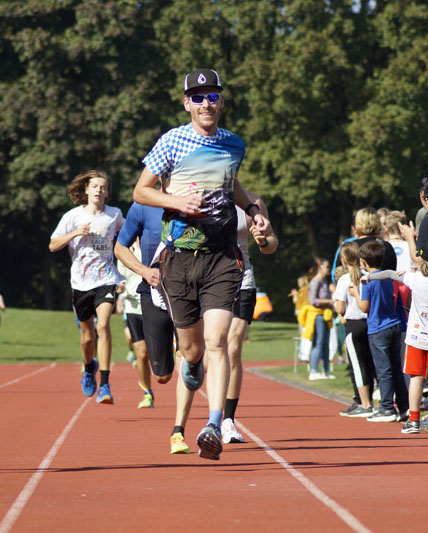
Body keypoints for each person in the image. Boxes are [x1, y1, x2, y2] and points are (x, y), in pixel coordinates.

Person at [132, 68, 271, 460]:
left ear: (221, 101)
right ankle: (191, 367)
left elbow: (232, 184)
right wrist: (177, 202)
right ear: (186, 104)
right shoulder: (172, 141)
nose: (206, 103)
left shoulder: (234, 144)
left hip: (222, 259)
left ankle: (212, 424)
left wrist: (253, 210)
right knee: (192, 351)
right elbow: (140, 191)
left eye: (212, 96)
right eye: (197, 97)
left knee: (218, 342)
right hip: (179, 260)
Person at [114, 201, 197, 453]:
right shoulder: (142, 207)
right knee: (161, 376)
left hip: (188, 292)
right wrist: (144, 271)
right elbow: (120, 247)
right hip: (151, 292)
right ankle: (175, 354)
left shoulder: (196, 203)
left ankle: (178, 431)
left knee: (186, 355)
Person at [49, 170, 124, 404]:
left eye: (103, 187)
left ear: (108, 192)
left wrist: (127, 270)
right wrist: (75, 233)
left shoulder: (114, 214)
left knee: (103, 325)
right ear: (86, 190)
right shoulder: (73, 216)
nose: (99, 191)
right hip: (81, 283)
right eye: (95, 187)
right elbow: (53, 245)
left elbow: (127, 237)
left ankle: (105, 384)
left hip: (106, 279)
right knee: (87, 337)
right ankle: (89, 366)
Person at [367, 240, 428, 436]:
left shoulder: (416, 279)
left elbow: (390, 274)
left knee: (416, 378)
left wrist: (369, 277)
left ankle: (414, 420)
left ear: (424, 261)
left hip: (416, 338)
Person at [223, 203, 278, 443]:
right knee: (209, 349)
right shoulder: (202, 196)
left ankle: (227, 420)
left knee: (233, 347)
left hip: (242, 280)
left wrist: (263, 241)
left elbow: (272, 244)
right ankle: (214, 412)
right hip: (210, 281)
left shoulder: (253, 204)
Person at [356, 240, 409, 422]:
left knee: (383, 370)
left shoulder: (367, 282)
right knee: (396, 368)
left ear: (363, 262)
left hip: (378, 328)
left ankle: (386, 408)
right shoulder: (388, 278)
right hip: (394, 325)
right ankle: (404, 406)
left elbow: (364, 307)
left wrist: (356, 294)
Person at [334, 242, 375, 418]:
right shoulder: (367, 276)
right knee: (369, 363)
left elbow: (339, 308)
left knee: (358, 365)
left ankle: (365, 404)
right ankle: (369, 401)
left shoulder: (344, 279)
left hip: (354, 323)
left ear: (343, 261)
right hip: (370, 323)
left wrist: (338, 307)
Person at [115, 240, 154, 408]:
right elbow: (120, 279)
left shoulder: (154, 244)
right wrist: (119, 288)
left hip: (154, 305)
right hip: (132, 307)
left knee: (160, 367)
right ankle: (147, 393)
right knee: (141, 354)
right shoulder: (125, 249)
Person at [306, 258, 335, 380]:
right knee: (319, 342)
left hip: (326, 315)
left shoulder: (324, 281)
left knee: (326, 343)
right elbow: (312, 300)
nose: (329, 269)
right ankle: (314, 371)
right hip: (318, 315)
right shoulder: (315, 281)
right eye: (327, 267)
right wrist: (329, 301)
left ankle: (326, 371)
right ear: (320, 267)